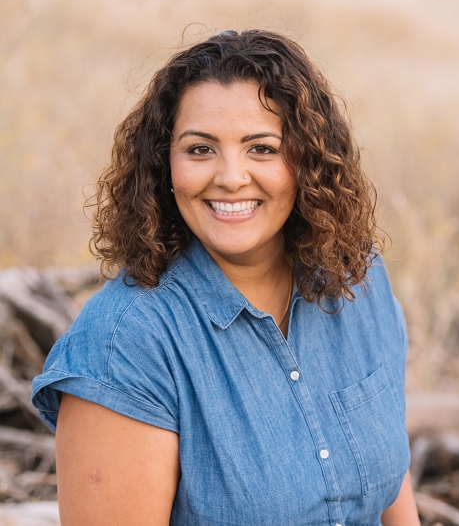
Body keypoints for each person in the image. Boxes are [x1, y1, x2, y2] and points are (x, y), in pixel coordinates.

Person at [32, 29, 420, 526]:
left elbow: (393, 492)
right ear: (163, 164)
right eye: (200, 150)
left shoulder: (357, 279)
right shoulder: (124, 344)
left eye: (261, 148)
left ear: (308, 160)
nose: (231, 177)